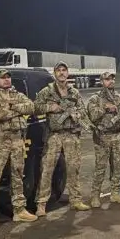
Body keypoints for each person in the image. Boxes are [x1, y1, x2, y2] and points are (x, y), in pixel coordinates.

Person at [0, 69, 38, 231]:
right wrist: (16, 108)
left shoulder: (17, 94)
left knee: (18, 175)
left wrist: (12, 107)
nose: (6, 80)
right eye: (2, 78)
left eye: (8, 77)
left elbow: (31, 107)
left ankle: (19, 210)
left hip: (17, 141)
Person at [33, 62, 89, 215]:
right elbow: (35, 107)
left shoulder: (74, 92)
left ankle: (76, 200)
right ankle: (41, 204)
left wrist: (76, 114)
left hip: (71, 135)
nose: (62, 73)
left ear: (68, 73)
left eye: (64, 70)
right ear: (55, 73)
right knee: (46, 170)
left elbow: (83, 110)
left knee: (73, 168)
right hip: (54, 135)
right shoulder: (47, 91)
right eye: (59, 70)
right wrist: (50, 108)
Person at [86, 70, 120, 209]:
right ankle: (95, 195)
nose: (110, 81)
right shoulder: (95, 99)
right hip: (103, 137)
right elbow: (92, 116)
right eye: (107, 79)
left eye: (112, 79)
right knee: (100, 168)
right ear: (101, 82)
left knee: (118, 167)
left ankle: (115, 193)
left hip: (118, 136)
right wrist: (105, 108)